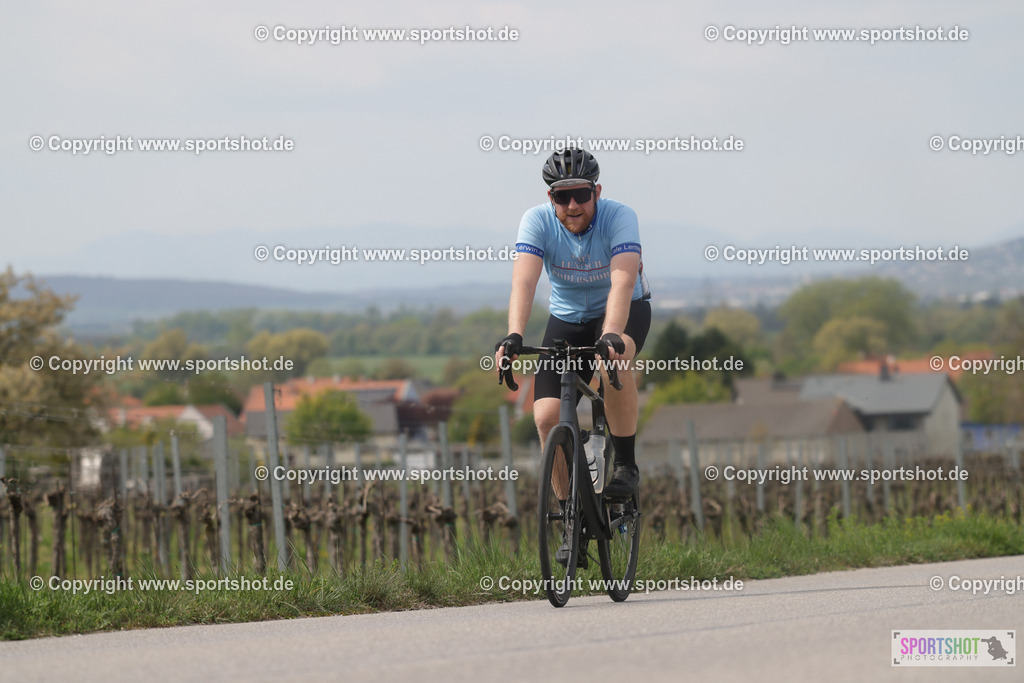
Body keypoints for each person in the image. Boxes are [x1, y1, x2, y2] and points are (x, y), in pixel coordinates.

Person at [495, 149, 651, 560]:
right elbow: (524, 283)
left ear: (596, 191)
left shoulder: (620, 217)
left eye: (580, 194)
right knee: (547, 417)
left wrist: (612, 334)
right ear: (550, 199)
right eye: (562, 197)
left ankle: (626, 466)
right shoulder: (537, 221)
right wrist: (513, 336)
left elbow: (622, 281)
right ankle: (571, 520)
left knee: (612, 360)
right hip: (566, 318)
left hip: (623, 309)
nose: (572, 205)